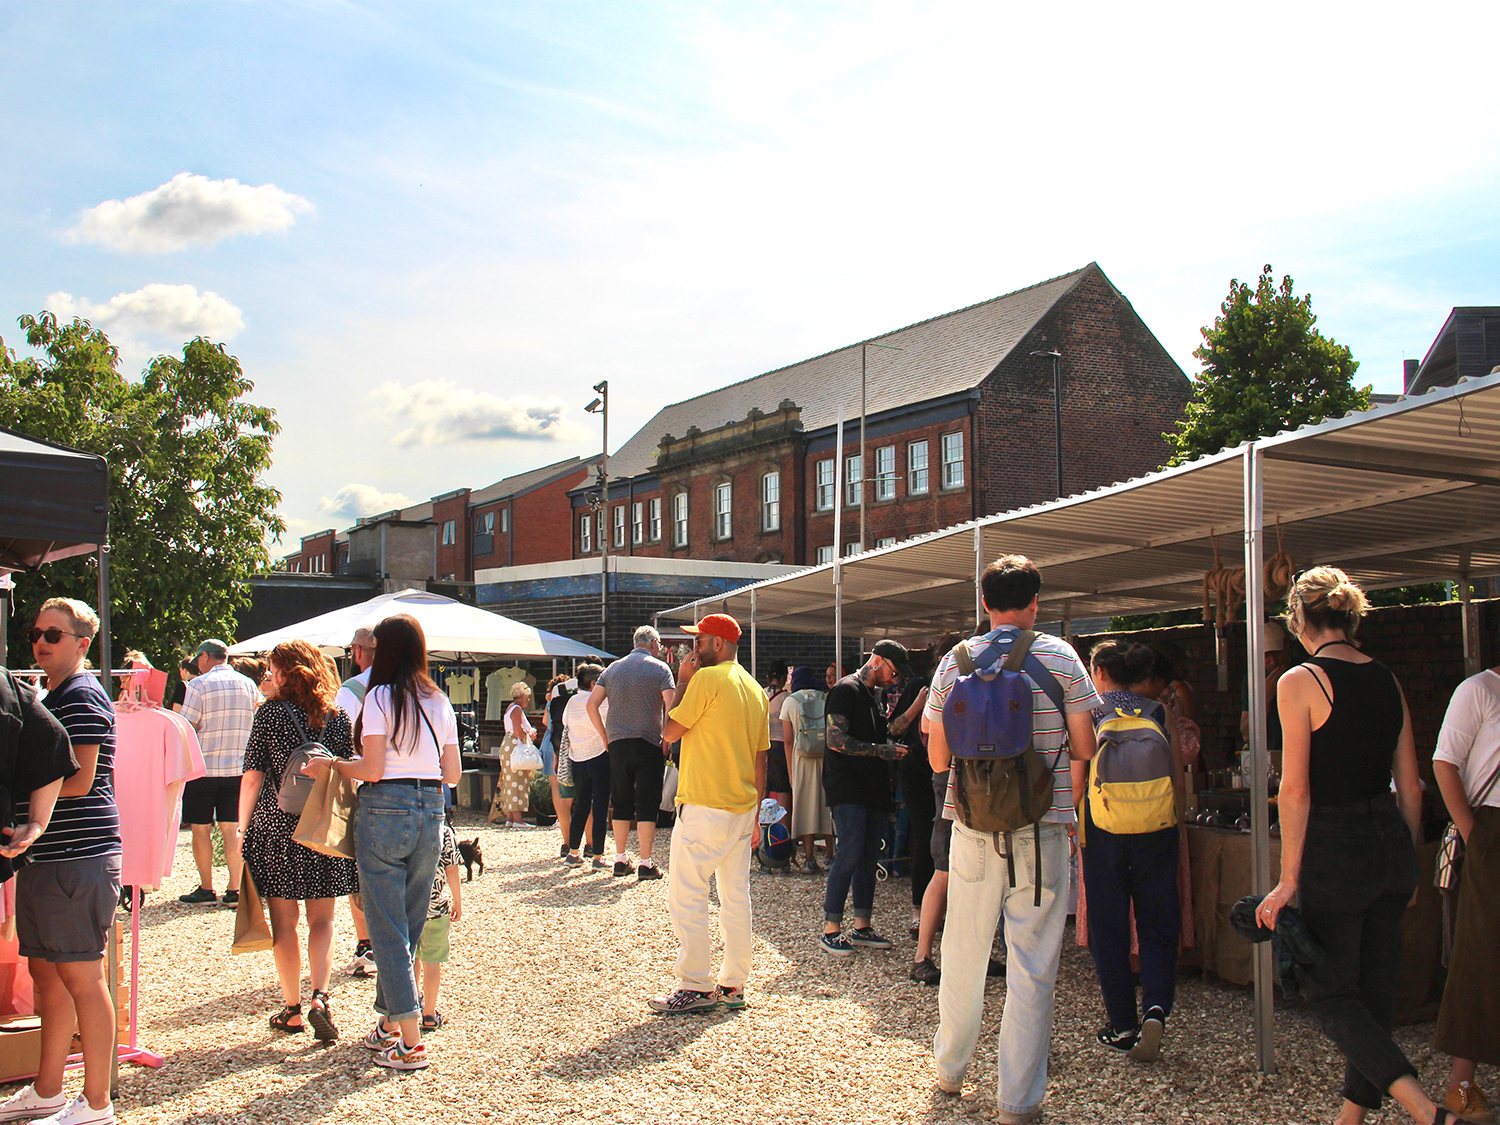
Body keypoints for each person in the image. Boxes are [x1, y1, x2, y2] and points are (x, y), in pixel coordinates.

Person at [1257, 568, 1461, 1125]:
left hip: (1335, 845)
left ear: (1298, 619)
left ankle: (1424, 1110)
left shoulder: (1298, 680)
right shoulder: (1387, 679)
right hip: (1389, 843)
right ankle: (1351, 1115)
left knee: (1324, 988)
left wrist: (1287, 878)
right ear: (1350, 617)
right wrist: (1411, 863)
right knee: (1372, 995)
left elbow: (1294, 790)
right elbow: (1411, 784)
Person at [926, 556, 1100, 1125]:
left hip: (972, 825)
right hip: (1042, 826)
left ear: (984, 603)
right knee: (1032, 964)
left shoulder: (956, 662)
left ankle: (951, 1071)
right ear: (1035, 603)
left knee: (963, 951)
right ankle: (1019, 1102)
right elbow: (1084, 748)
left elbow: (936, 755)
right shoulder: (1061, 657)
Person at [302, 613, 460, 1071]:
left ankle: (410, 1039)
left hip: (384, 810)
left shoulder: (379, 698)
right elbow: (451, 774)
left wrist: (334, 765)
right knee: (407, 926)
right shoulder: (439, 700)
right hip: (431, 809)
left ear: (384, 651)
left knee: (386, 928)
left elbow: (370, 769)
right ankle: (390, 1024)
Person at [4, 598, 122, 1125]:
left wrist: (19, 799)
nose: (40, 642)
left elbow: (81, 777)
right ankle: (48, 1089)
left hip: (78, 855)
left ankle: (97, 1103)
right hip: (49, 855)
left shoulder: (80, 694)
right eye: (36, 633)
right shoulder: (51, 693)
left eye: (54, 634)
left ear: (82, 642)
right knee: (49, 976)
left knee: (82, 977)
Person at [237, 639, 360, 1041]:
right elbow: (346, 771)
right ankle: (321, 996)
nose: (269, 676)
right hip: (320, 826)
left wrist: (241, 829)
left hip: (276, 827)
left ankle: (291, 1008)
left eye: (274, 669)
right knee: (322, 920)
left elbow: (253, 775)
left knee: (284, 924)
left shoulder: (268, 715)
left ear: (289, 671)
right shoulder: (336, 716)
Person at [648, 613, 768, 1013]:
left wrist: (681, 680)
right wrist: (755, 815)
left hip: (703, 803)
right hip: (741, 806)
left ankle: (696, 984)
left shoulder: (705, 680)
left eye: (699, 641)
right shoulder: (754, 689)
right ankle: (734, 985)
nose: (693, 648)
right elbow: (760, 758)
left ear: (717, 643)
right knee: (735, 896)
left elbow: (668, 733)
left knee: (688, 894)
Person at [1080, 640, 1184, 1061]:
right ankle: (1156, 1005)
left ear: (1101, 673)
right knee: (1158, 920)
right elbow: (1177, 774)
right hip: (1157, 826)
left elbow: (1078, 773)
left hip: (1102, 828)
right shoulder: (1160, 713)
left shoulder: (1091, 712)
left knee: (1110, 926)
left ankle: (1121, 1023)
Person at [1431, 662, 1500, 1123]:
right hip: (1491, 826)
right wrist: (1476, 835)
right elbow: (1444, 763)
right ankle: (1460, 1083)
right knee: (1482, 952)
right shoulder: (1480, 690)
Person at [819, 640, 913, 956]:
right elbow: (835, 739)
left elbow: (884, 732)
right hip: (847, 788)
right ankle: (831, 929)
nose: (893, 678)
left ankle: (862, 925)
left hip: (872, 790)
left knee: (868, 858)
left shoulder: (874, 697)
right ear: (878, 661)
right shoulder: (846, 690)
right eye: (893, 671)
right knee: (849, 853)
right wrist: (880, 751)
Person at [588, 625, 676, 880]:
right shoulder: (660, 669)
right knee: (647, 802)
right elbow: (671, 703)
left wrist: (604, 736)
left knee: (621, 800)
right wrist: (667, 738)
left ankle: (620, 858)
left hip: (617, 742)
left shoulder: (612, 669)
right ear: (653, 644)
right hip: (649, 741)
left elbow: (591, 704)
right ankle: (646, 863)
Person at [178, 638, 260, 904]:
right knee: (233, 828)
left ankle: (206, 887)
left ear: (203, 658)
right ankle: (234, 889)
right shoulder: (249, 684)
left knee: (201, 830)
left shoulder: (198, 685)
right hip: (238, 768)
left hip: (203, 768)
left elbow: (187, 726)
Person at [334, 627, 378, 977]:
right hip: (411, 787)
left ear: (358, 652)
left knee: (360, 868)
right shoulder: (417, 688)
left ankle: (367, 943)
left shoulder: (352, 691)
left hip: (363, 784)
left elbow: (340, 740)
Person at [888, 657, 932, 940]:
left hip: (948, 774)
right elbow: (893, 729)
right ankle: (919, 911)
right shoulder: (920, 687)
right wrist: (918, 704)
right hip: (916, 772)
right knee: (926, 839)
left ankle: (940, 910)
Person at [781, 666, 834, 872]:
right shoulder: (826, 697)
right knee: (827, 806)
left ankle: (810, 859)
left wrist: (790, 771)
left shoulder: (790, 702)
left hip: (801, 759)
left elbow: (787, 740)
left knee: (805, 807)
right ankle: (830, 855)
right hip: (826, 758)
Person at [414, 820, 463, 1033]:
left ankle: (412, 1004)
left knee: (411, 957)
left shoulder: (402, 825)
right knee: (432, 962)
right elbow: (452, 869)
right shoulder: (442, 831)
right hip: (435, 906)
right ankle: (429, 1014)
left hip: (408, 905)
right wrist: (458, 900)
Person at [563, 665, 611, 869]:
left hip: (577, 758)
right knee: (600, 807)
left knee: (580, 806)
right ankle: (598, 856)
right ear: (594, 684)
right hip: (600, 756)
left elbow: (565, 723)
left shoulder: (571, 702)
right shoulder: (602, 702)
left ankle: (573, 852)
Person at [1241, 620, 1294, 771]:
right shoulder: (1252, 680)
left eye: (1276, 653)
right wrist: (1265, 698)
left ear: (1285, 649)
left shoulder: (1301, 673)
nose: (1272, 661)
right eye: (1266, 656)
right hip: (1267, 757)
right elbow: (1246, 734)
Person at [538, 673, 573, 857]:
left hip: (549, 744)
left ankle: (565, 837)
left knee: (555, 790)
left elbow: (545, 722)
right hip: (565, 745)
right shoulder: (570, 702)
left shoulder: (551, 704)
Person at [496, 682, 536, 828]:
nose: (529, 700)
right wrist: (530, 735)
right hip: (514, 745)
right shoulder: (517, 709)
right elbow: (518, 731)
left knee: (509, 780)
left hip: (507, 744)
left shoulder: (510, 707)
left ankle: (511, 818)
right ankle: (518, 820)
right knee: (518, 781)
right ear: (523, 695)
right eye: (528, 697)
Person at [764, 661, 792, 817]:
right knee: (783, 789)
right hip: (780, 745)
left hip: (762, 744)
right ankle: (784, 831)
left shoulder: (760, 693)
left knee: (762, 789)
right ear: (784, 677)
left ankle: (758, 829)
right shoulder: (787, 698)